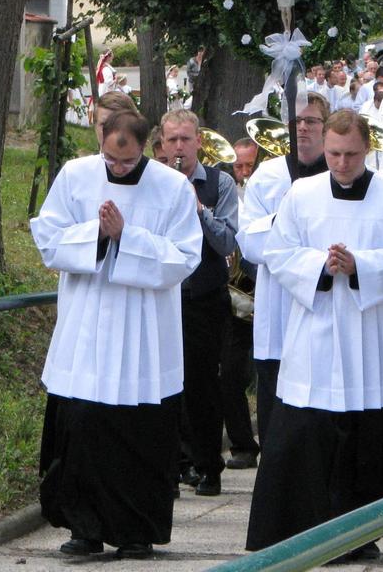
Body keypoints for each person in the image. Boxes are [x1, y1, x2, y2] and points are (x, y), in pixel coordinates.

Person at [246, 110, 383, 559]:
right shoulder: (301, 194)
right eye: (333, 153)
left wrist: (361, 267)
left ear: (366, 149)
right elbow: (279, 250)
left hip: (371, 333)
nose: (341, 163)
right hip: (316, 331)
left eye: (351, 154)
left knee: (368, 436)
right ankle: (306, 527)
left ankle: (361, 531)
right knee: (306, 432)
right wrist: (319, 265)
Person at [31, 110, 202, 559]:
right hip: (87, 324)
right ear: (101, 140)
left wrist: (127, 237)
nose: (118, 168)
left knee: (138, 437)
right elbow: (49, 239)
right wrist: (98, 237)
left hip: (145, 330)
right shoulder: (76, 176)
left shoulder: (172, 187)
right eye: (111, 158)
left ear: (146, 147)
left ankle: (135, 531)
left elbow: (186, 257)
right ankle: (84, 529)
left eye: (127, 162)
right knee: (84, 430)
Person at [235, 93, 330, 446]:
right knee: (277, 415)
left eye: (312, 121)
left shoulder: (339, 173)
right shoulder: (268, 177)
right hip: (278, 309)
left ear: (326, 127)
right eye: (297, 121)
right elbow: (250, 241)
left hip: (325, 305)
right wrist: (288, 218)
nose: (303, 127)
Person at [160, 109, 239, 497]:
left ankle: (209, 466)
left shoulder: (220, 183)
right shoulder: (154, 183)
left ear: (198, 143)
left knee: (203, 385)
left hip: (203, 298)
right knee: (163, 384)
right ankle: (173, 464)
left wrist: (198, 208)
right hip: (163, 296)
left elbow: (227, 243)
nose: (178, 147)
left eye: (185, 139)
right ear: (161, 143)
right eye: (172, 140)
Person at [220, 137, 261, 470]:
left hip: (270, 291)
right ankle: (242, 446)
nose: (244, 173)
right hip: (238, 297)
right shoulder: (227, 194)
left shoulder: (269, 190)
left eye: (250, 165)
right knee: (232, 374)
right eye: (238, 166)